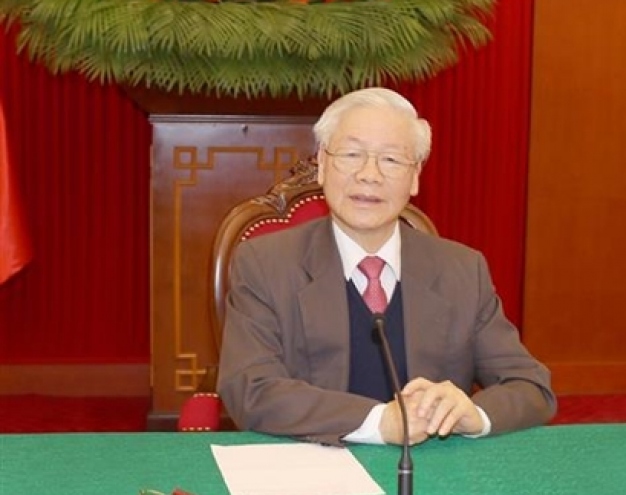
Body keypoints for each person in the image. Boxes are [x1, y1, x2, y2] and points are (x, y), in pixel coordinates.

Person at [218, 87, 555, 447]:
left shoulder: (461, 270)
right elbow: (249, 388)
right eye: (352, 154)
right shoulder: (266, 264)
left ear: (415, 176)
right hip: (313, 463)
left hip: (430, 469)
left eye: (391, 160)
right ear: (322, 164)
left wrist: (474, 414)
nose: (370, 175)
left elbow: (531, 387)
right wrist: (379, 422)